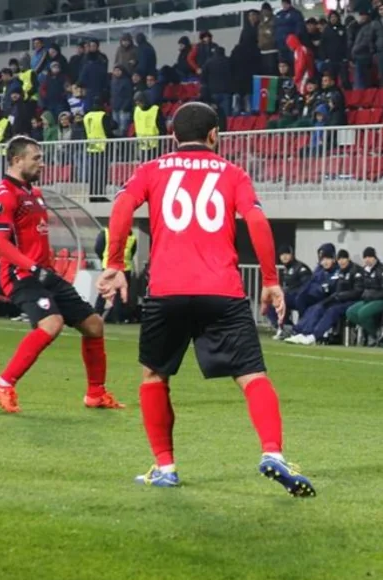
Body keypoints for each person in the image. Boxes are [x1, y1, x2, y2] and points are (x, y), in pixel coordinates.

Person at [96, 103, 315, 497]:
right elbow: (257, 221)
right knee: (252, 375)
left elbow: (123, 206)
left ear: (172, 135)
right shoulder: (233, 173)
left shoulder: (151, 169)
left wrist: (115, 263)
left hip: (167, 290)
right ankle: (273, 452)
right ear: (215, 135)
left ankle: (166, 467)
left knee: (155, 376)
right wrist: (270, 280)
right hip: (222, 291)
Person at [0, 136, 124, 414]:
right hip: (20, 276)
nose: (42, 163)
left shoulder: (35, 193)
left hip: (44, 274)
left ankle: (95, 394)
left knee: (94, 325)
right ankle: (2, 383)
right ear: (17, 160)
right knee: (52, 323)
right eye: (36, 158)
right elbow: (0, 244)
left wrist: (46, 267)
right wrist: (34, 268)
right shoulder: (3, 194)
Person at [345, 247, 383, 342]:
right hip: (370, 300)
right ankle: (373, 330)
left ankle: (375, 336)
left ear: (375, 257)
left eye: (370, 257)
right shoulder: (364, 271)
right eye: (365, 257)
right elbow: (362, 288)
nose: (367, 259)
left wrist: (372, 295)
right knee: (350, 312)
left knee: (363, 313)